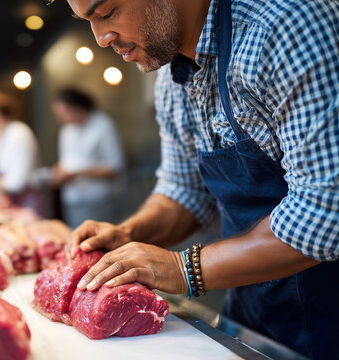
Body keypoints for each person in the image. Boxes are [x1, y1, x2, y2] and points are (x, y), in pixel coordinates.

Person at [60, 0, 339, 358]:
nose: (100, 38)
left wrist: (183, 268)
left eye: (107, 12)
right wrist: (128, 236)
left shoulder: (285, 26)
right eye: (87, 20)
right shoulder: (170, 77)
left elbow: (325, 213)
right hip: (255, 314)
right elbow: (183, 190)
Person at [50, 88, 124, 229]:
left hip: (97, 199)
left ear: (77, 108)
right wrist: (59, 171)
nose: (61, 118)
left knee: (99, 243)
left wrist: (77, 173)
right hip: (71, 198)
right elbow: (67, 160)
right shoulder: (66, 130)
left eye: (64, 113)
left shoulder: (103, 125)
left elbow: (114, 167)